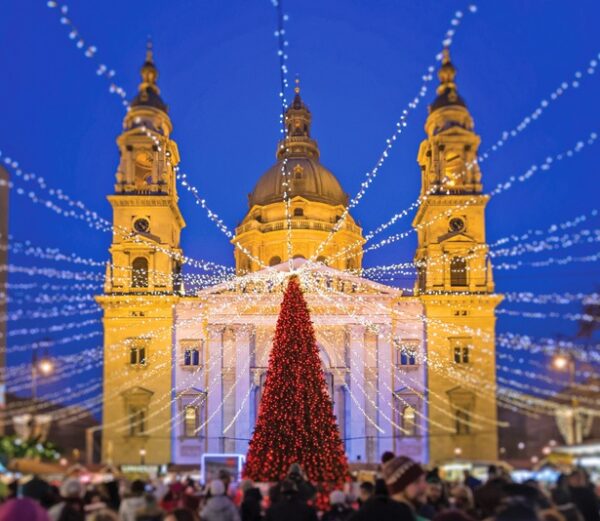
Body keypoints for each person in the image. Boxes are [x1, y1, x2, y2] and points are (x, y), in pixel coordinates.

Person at [350, 455, 426, 521]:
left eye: (424, 480)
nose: (424, 486)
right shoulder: (394, 515)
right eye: (416, 481)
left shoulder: (405, 513)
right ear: (399, 487)